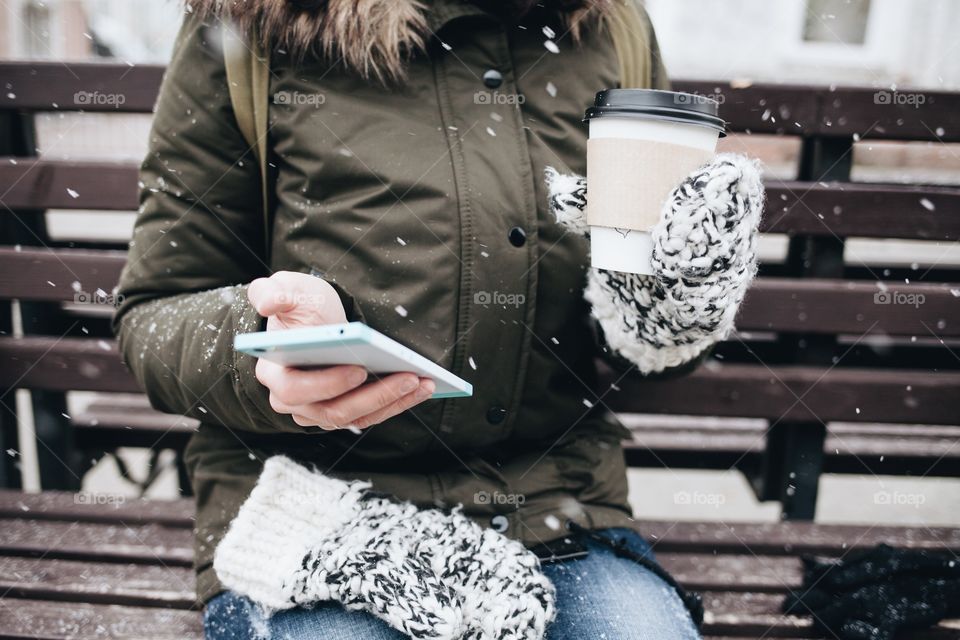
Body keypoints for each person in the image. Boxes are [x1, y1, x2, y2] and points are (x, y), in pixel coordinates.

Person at [113, 0, 763, 638]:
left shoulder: (609, 23)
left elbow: (642, 340)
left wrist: (676, 301)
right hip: (312, 516)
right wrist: (259, 352)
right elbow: (155, 310)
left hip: (553, 507)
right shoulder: (253, 20)